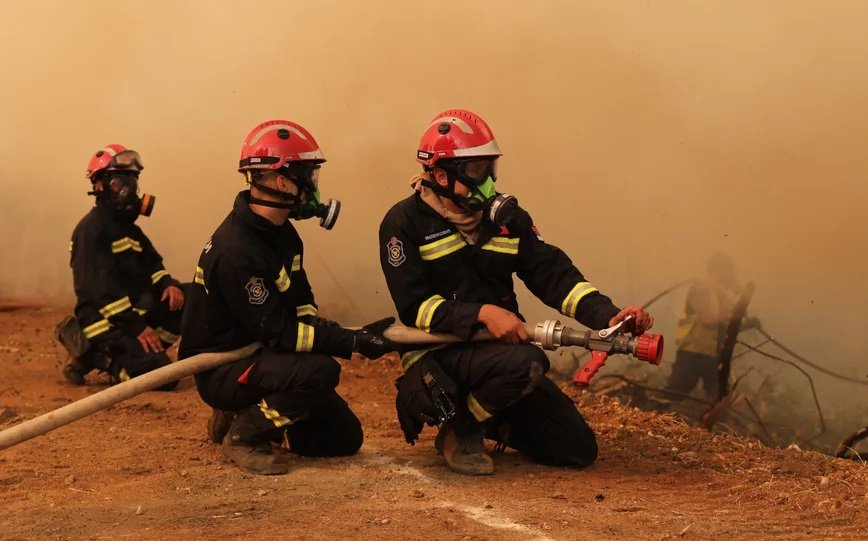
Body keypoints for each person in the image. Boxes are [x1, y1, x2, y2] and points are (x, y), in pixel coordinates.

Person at [379, 109, 654, 475]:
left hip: (498, 358)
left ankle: (487, 415)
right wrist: (481, 313)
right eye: (476, 171)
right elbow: (416, 307)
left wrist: (609, 316)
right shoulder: (403, 223)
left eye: (489, 169)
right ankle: (461, 429)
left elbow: (554, 276)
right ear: (441, 175)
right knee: (528, 363)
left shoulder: (507, 221)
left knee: (576, 449)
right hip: (440, 352)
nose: (488, 182)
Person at [179, 120, 397, 475]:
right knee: (320, 371)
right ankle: (244, 435)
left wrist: (331, 331)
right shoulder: (238, 251)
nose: (314, 186)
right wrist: (349, 340)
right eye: (309, 175)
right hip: (224, 368)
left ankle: (246, 413)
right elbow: (279, 333)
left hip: (265, 356)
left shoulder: (282, 233)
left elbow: (301, 306)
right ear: (283, 180)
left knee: (340, 440)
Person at [58, 144, 183, 388]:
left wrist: (169, 285)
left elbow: (153, 265)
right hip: (106, 322)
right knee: (164, 380)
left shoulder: (130, 230)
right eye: (118, 183)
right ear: (99, 186)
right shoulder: (91, 230)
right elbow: (100, 292)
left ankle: (140, 353)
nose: (128, 190)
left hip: (133, 315)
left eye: (132, 182)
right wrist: (138, 328)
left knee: (190, 298)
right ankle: (101, 358)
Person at [666, 253, 759, 399]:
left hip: (712, 355)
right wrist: (733, 314)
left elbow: (726, 326)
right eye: (728, 270)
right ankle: (651, 416)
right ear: (718, 270)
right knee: (673, 394)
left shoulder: (718, 294)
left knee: (718, 398)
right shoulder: (700, 289)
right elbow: (707, 319)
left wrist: (748, 323)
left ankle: (712, 421)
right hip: (692, 354)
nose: (731, 275)